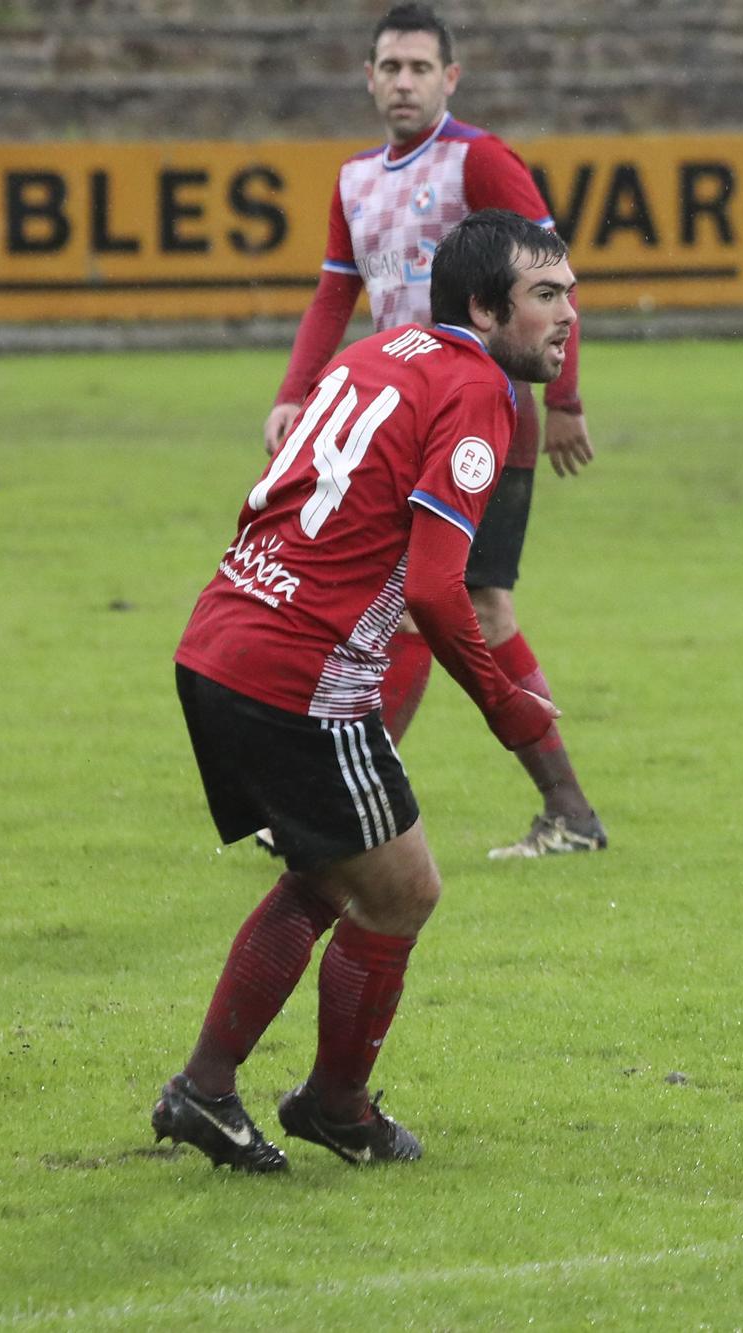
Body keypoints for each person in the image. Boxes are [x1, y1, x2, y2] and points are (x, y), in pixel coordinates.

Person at [152, 210, 578, 1171]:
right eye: (546, 296)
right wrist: (512, 710)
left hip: (220, 637)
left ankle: (209, 1092)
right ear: (483, 305)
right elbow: (436, 585)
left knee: (328, 871)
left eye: (572, 296)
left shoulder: (378, 351)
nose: (567, 319)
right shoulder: (478, 391)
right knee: (402, 890)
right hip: (298, 675)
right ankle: (335, 1106)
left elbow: (281, 486)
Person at [262, 3, 604, 859]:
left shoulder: (479, 161)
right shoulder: (353, 179)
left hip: (478, 412)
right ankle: (565, 812)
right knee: (425, 607)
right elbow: (334, 292)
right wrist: (296, 392)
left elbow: (552, 278)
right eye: (391, 67)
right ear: (368, 77)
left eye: (421, 67)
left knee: (443, 606)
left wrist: (563, 397)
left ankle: (339, 804)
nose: (404, 81)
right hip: (393, 421)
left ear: (450, 78)